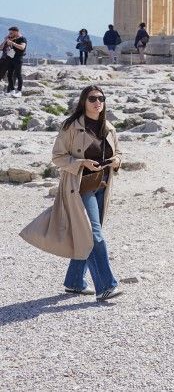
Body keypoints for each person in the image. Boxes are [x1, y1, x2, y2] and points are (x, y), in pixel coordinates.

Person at [20, 85, 123, 302]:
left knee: (87, 233)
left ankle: (75, 282)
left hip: (102, 186)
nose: (98, 102)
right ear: (83, 102)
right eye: (93, 98)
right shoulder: (70, 127)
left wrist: (117, 161)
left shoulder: (109, 128)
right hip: (80, 188)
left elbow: (119, 153)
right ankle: (106, 286)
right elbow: (57, 157)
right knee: (94, 234)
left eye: (101, 98)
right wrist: (81, 163)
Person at [1, 27, 28, 97]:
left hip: (18, 59)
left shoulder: (22, 38)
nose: (10, 34)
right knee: (9, 75)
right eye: (9, 33)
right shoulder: (12, 39)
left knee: (18, 74)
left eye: (11, 33)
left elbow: (22, 47)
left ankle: (19, 91)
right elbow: (2, 48)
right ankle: (12, 90)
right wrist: (6, 40)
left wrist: (12, 43)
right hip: (11, 59)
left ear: (16, 32)